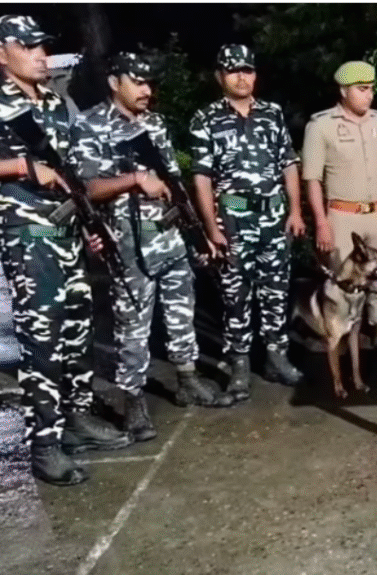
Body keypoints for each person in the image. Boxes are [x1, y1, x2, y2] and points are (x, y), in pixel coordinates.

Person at [70, 52, 234, 444]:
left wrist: (198, 232)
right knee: (133, 322)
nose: (147, 90)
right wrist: (133, 179)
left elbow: (173, 181)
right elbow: (86, 187)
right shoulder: (90, 124)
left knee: (181, 309)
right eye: (138, 82)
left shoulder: (155, 123)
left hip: (169, 233)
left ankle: (187, 378)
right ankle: (133, 401)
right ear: (115, 83)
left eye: (150, 83)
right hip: (128, 241)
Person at [0, 14, 131, 486]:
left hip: (67, 229)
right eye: (28, 46)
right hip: (28, 234)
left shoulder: (57, 104)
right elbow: (29, 169)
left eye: (43, 46)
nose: (41, 55)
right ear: (2, 53)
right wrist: (20, 166)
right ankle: (44, 444)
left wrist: (92, 224)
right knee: (43, 336)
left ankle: (76, 418)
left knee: (77, 328)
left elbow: (76, 175)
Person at [190, 44, 305, 400]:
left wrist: (295, 211)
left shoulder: (272, 113)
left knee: (276, 289)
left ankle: (276, 355)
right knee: (235, 293)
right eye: (234, 71)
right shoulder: (206, 118)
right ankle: (238, 362)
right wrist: (211, 228)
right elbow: (202, 177)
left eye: (248, 70)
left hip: (273, 215)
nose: (242, 77)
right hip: (233, 216)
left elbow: (288, 163)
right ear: (220, 76)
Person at [301, 60, 377, 349]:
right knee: (342, 281)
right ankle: (341, 339)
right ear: (344, 91)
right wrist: (321, 222)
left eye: (371, 89)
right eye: (362, 89)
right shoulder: (321, 125)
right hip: (343, 214)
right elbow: (312, 178)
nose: (368, 95)